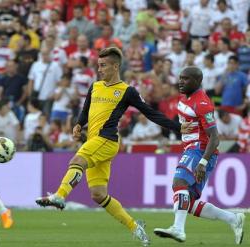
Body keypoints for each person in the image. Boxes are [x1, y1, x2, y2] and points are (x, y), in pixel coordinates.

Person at [35, 47, 189, 247]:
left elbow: (151, 113)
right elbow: (86, 108)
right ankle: (135, 227)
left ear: (116, 66)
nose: (100, 69)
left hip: (106, 140)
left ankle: (59, 196)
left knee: (77, 161)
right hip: (93, 140)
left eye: (103, 65)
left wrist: (178, 127)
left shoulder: (127, 91)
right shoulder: (95, 86)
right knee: (98, 195)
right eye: (98, 65)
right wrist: (78, 124)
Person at [153, 66, 245, 244]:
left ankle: (178, 229)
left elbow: (215, 138)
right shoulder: (183, 97)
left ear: (197, 81)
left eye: (186, 79)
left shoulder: (203, 103)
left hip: (200, 149)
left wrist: (203, 162)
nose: (181, 81)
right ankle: (233, 219)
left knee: (178, 183)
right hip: (190, 148)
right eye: (180, 78)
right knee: (188, 203)